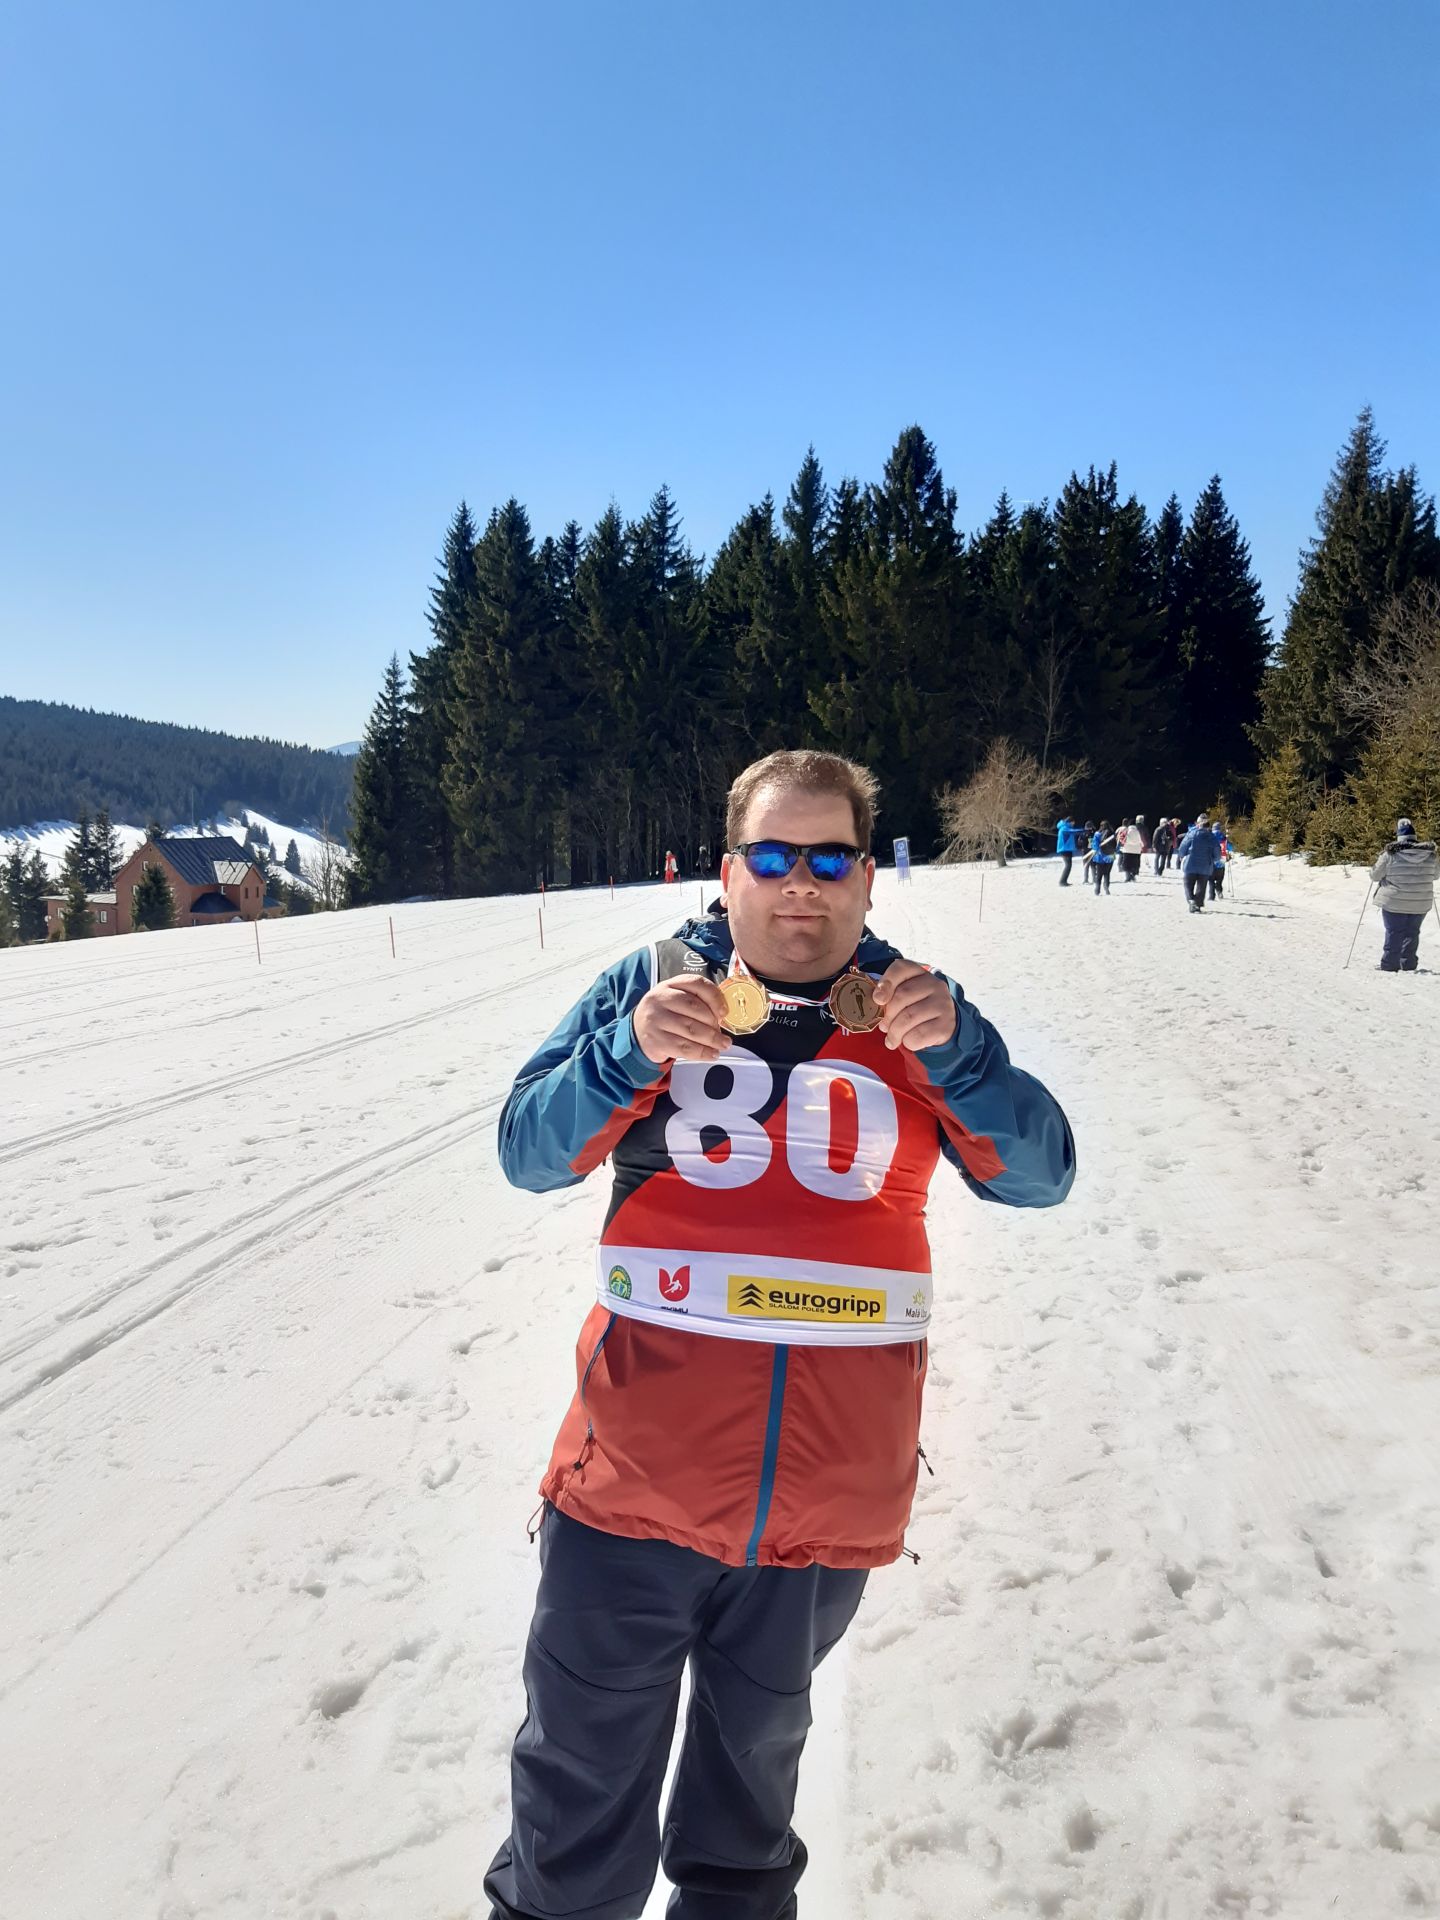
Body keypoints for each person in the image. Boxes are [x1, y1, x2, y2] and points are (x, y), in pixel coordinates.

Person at [484, 748, 1076, 1920]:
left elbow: (1040, 1174)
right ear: (728, 871)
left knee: (746, 1824)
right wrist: (628, 1051)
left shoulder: (916, 1008)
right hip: (631, 1488)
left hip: (820, 1506)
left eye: (828, 857)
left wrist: (958, 1051)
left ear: (868, 875)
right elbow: (529, 1152)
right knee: (573, 1811)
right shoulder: (652, 985)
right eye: (771, 854)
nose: (799, 880)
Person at [1371, 817, 1438, 972]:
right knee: (1412, 933)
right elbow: (1435, 875)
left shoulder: (1389, 854)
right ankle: (1408, 964)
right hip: (1420, 902)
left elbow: (1375, 876)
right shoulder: (1430, 855)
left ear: (1399, 837)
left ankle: (1389, 965)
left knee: (1394, 932)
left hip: (1394, 901)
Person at [1177, 813, 1216, 912]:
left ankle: (1191, 900)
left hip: (1190, 864)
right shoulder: (1212, 837)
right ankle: (1197, 905)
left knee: (1188, 884)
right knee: (1201, 887)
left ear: (1198, 823)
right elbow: (1217, 851)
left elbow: (1183, 846)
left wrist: (1181, 855)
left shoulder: (1191, 834)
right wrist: (1215, 859)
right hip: (1205, 866)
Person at [1090, 820, 1116, 894]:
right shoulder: (1112, 834)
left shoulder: (1097, 834)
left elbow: (1095, 846)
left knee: (1099, 874)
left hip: (1100, 857)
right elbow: (1115, 845)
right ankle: (1106, 887)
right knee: (1107, 873)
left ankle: (1097, 889)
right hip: (1110, 856)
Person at [1208, 822, 1230, 900]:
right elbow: (1230, 847)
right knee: (1219, 879)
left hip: (1211, 861)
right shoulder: (1223, 837)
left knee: (1211, 880)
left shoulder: (1209, 836)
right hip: (1221, 861)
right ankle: (1219, 891)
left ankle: (1211, 895)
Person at [1055, 815, 1079, 886]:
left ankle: (1064, 881)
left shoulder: (1066, 827)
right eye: (1073, 822)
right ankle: (1062, 882)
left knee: (1068, 865)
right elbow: (1074, 832)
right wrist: (1085, 830)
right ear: (1070, 822)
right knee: (1068, 866)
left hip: (1067, 849)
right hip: (1065, 849)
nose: (1074, 824)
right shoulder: (1064, 828)